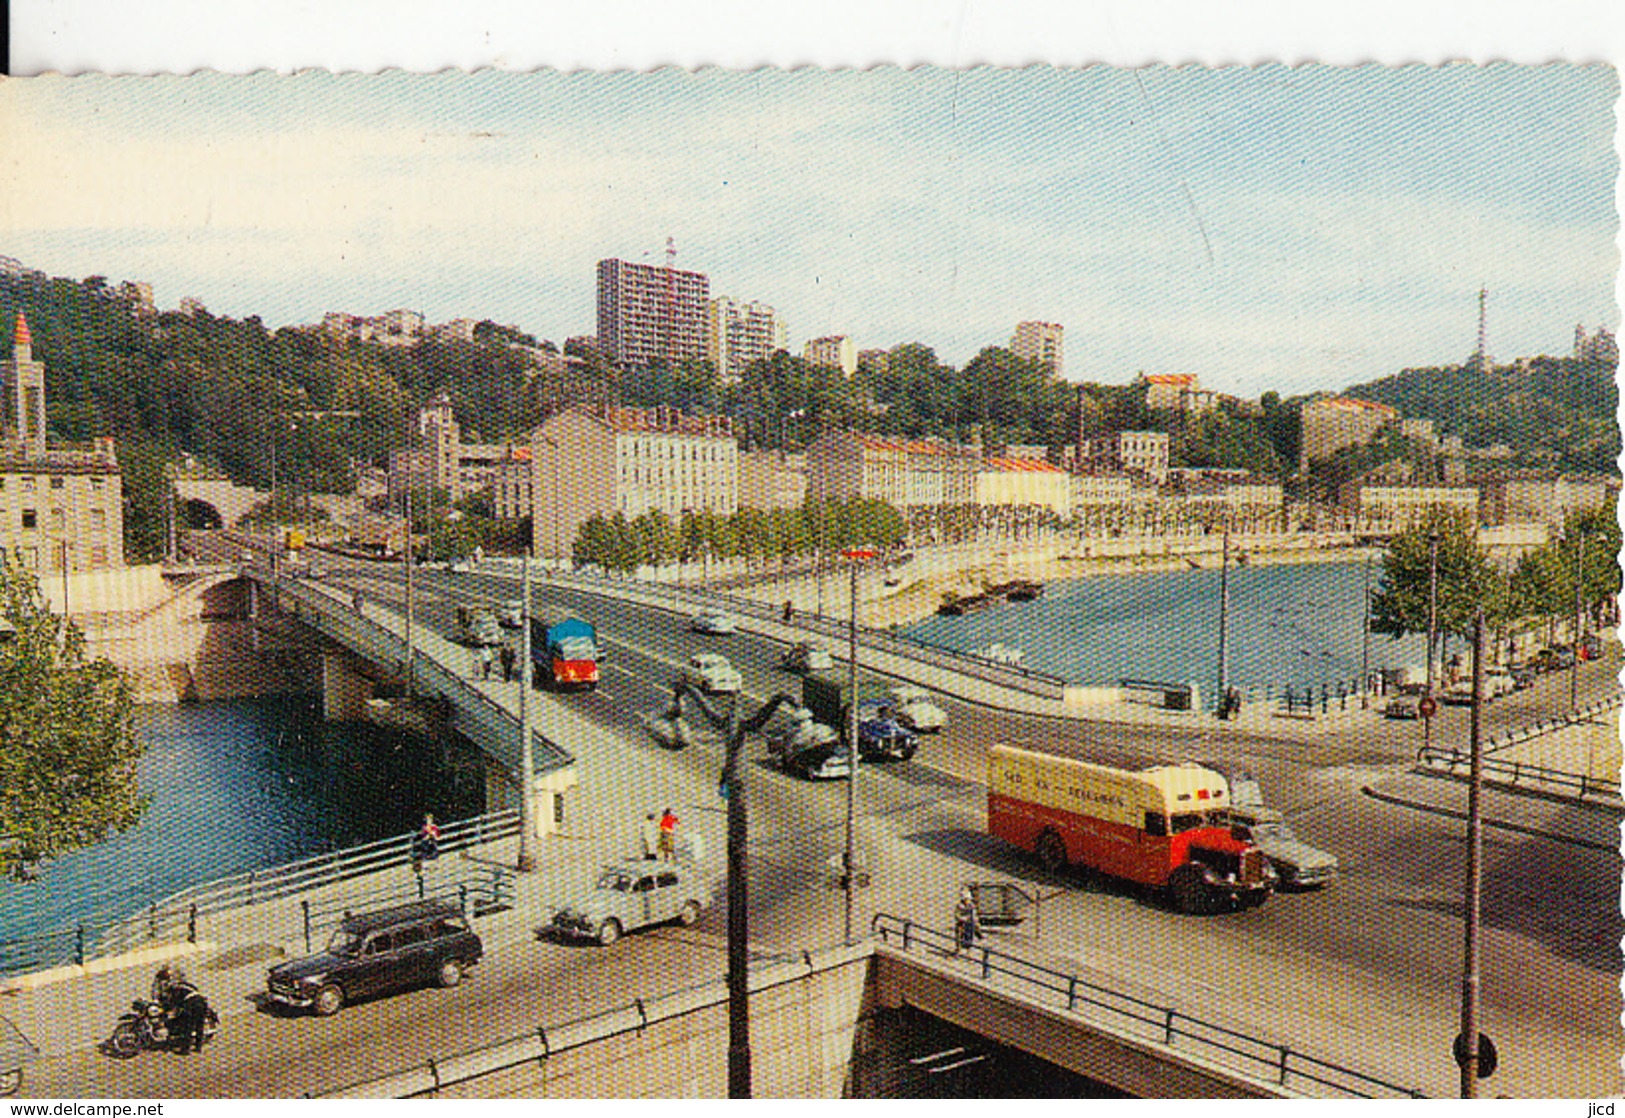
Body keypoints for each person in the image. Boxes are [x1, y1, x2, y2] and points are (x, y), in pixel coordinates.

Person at [161, 971, 211, 1054]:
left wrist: (166, 1011)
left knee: (188, 1026)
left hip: (192, 1004)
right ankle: (198, 1047)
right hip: (201, 1002)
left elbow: (175, 1003)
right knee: (199, 1025)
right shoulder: (188, 985)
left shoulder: (176, 989)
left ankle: (185, 1049)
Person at [953, 888, 981, 954]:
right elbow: (957, 915)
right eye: (966, 900)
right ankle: (959, 950)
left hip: (970, 924)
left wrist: (976, 922)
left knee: (969, 936)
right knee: (960, 937)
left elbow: (974, 914)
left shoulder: (972, 906)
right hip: (962, 923)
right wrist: (963, 918)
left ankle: (968, 950)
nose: (967, 901)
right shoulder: (960, 906)